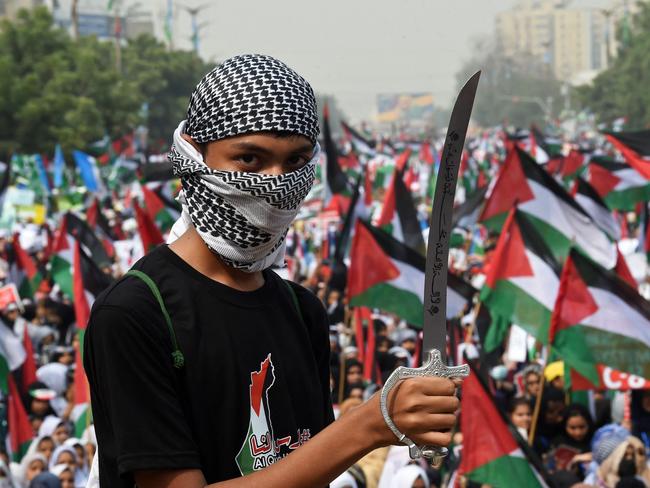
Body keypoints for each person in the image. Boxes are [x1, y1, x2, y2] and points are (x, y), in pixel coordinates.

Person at [84, 54, 461, 488]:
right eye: (249, 159)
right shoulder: (137, 314)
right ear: (192, 153)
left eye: (296, 162)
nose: (276, 182)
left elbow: (306, 470)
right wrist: (368, 425)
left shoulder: (302, 312)